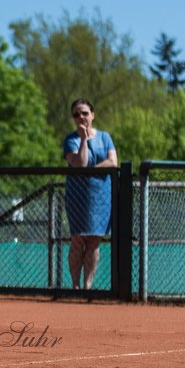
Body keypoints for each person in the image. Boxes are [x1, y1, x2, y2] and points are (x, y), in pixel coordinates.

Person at [62, 98, 117, 290]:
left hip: (101, 197)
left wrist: (92, 170)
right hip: (78, 196)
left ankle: (88, 286)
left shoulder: (105, 137)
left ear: (93, 115)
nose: (81, 117)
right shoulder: (70, 140)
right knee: (77, 239)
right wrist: (84, 139)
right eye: (76, 114)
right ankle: (75, 286)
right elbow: (80, 164)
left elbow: (113, 161)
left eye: (85, 113)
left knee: (94, 240)